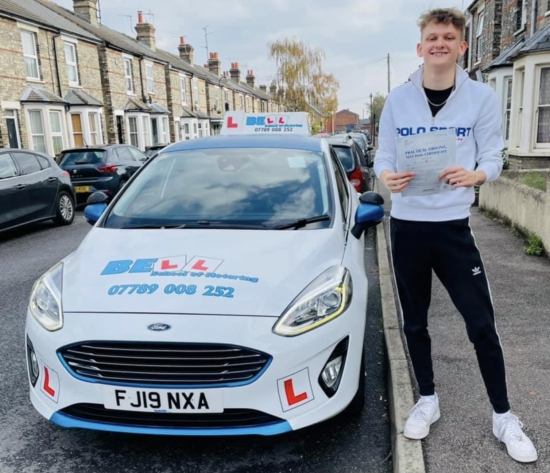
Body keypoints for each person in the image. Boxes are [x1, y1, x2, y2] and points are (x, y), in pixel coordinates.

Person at [374, 7, 537, 464]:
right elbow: (383, 154)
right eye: (432, 37)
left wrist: (476, 175)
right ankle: (427, 398)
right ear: (420, 46)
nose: (439, 43)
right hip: (407, 227)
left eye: (448, 37)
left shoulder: (480, 98)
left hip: (452, 229)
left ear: (462, 46)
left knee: (481, 324)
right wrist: (386, 175)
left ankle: (503, 415)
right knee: (414, 322)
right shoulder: (397, 100)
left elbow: (494, 155)